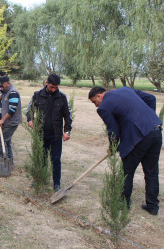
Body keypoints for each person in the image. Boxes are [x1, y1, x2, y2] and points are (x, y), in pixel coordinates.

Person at [89, 86, 162, 215]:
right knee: (151, 172)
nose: (96, 106)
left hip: (139, 137)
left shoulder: (104, 107)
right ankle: (152, 207)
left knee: (126, 172)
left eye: (95, 102)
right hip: (155, 131)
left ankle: (123, 204)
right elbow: (151, 98)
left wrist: (113, 147)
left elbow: (113, 130)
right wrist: (148, 119)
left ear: (99, 96)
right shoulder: (125, 90)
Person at [26, 74, 72, 192]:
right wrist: (30, 119)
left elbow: (67, 115)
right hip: (40, 133)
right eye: (51, 87)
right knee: (41, 157)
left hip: (55, 135)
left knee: (56, 160)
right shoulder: (37, 95)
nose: (53, 89)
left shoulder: (62, 97)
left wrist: (67, 131)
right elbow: (30, 110)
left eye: (56, 87)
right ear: (46, 83)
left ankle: (56, 184)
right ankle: (40, 179)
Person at [0, 76, 22, 164]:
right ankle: (10, 162)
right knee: (7, 141)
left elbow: (12, 110)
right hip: (7, 121)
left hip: (11, 122)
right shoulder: (5, 91)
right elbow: (3, 100)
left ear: (8, 83)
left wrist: (2, 120)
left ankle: (5, 162)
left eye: (2, 86)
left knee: (1, 141)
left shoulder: (13, 93)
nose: (0, 88)